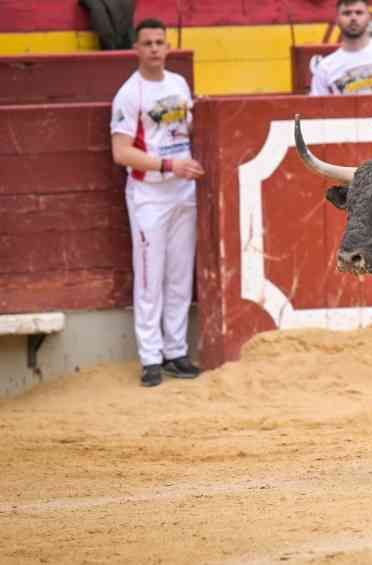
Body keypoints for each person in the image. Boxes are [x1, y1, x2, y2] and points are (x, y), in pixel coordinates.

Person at [110, 18, 205, 387]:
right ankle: (150, 357)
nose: (153, 48)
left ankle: (176, 351)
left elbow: (192, 129)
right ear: (136, 49)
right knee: (150, 277)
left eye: (159, 42)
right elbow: (120, 152)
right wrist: (169, 164)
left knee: (180, 275)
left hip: (183, 189)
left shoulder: (179, 85)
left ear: (168, 47)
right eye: (147, 43)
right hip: (150, 193)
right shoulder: (129, 93)